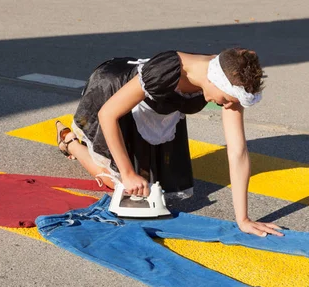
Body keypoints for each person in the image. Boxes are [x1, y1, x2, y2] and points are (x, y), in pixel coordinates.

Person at [56, 48, 283, 237]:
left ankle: (91, 152)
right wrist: (127, 173)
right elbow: (108, 115)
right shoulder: (169, 70)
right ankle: (70, 142)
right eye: (226, 100)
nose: (226, 105)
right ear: (217, 82)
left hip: (159, 111)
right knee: (121, 185)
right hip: (113, 89)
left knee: (149, 188)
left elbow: (238, 151)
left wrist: (243, 219)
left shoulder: (229, 80)